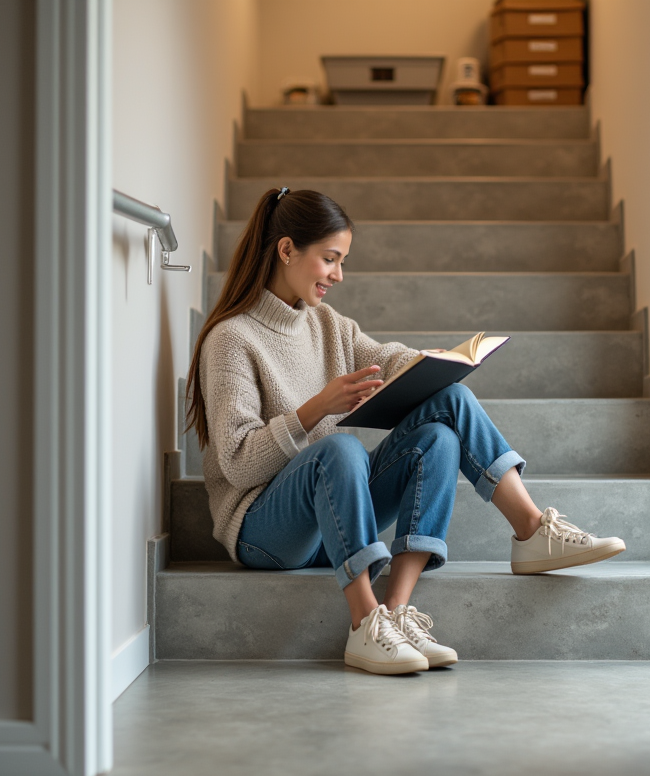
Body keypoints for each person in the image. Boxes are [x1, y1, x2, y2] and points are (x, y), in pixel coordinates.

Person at [185, 187, 626, 676]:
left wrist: (431, 363)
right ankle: (364, 622)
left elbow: (382, 359)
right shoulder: (231, 339)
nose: (338, 275)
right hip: (264, 532)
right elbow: (238, 462)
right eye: (330, 259)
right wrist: (315, 409)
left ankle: (444, 582)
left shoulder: (327, 324)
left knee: (445, 421)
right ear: (287, 249)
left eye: (342, 261)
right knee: (342, 451)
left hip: (332, 519)